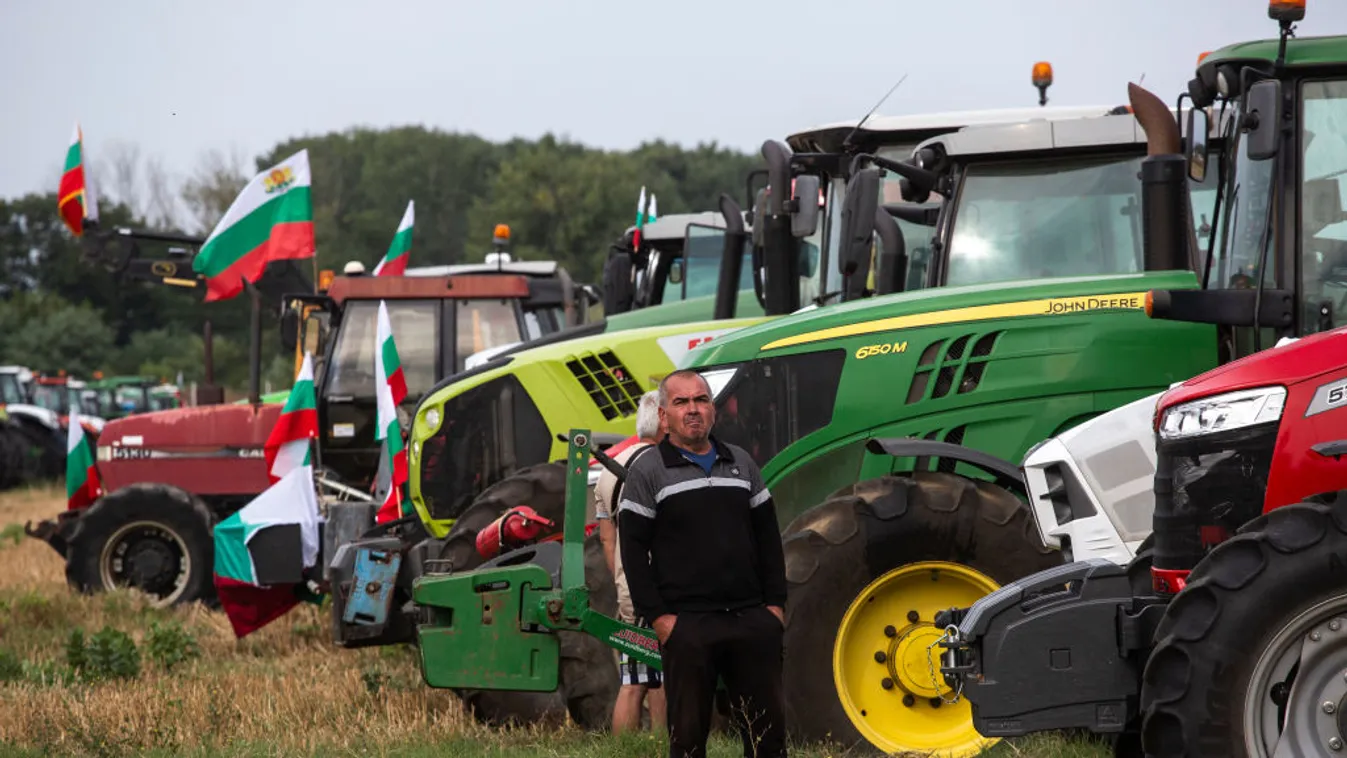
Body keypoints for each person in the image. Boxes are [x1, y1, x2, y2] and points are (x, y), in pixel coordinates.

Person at [617, 369, 788, 758]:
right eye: (681, 402)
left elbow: (768, 540)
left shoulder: (741, 463)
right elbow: (632, 550)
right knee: (689, 739)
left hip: (751, 621)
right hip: (688, 626)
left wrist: (774, 608)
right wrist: (661, 619)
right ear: (663, 416)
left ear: (713, 410)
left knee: (768, 740)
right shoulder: (647, 471)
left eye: (701, 400)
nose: (693, 410)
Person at [592, 389, 666, 734]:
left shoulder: (609, 473)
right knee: (663, 679)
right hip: (661, 590)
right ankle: (667, 748)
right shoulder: (664, 466)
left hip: (630, 593)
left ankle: (624, 752)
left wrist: (625, 582)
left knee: (632, 682)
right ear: (665, 422)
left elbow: (607, 539)